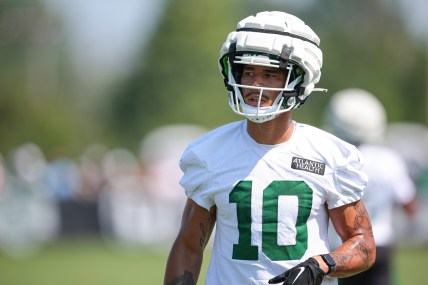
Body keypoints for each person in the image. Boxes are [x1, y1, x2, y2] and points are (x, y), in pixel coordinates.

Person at [163, 11, 376, 285]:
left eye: (270, 74)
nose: (255, 84)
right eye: (248, 72)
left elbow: (364, 244)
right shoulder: (209, 154)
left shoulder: (329, 155)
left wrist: (320, 265)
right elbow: (189, 246)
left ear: (300, 80)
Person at [324, 88, 418, 285]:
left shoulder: (333, 160)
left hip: (342, 246)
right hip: (380, 243)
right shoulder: (389, 159)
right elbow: (409, 204)